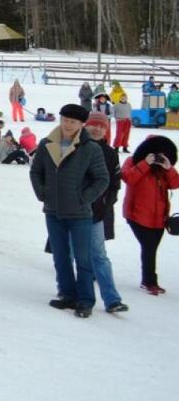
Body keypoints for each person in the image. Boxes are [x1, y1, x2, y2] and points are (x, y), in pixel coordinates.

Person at [29, 104, 109, 318]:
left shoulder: (90, 148)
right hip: (53, 211)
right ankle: (67, 294)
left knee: (83, 259)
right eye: (64, 120)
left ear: (82, 124)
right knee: (61, 257)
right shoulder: (47, 144)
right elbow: (36, 172)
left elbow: (102, 179)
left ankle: (85, 300)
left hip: (80, 214)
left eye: (72, 122)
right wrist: (42, 193)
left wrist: (83, 198)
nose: (67, 124)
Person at [121, 134, 179, 296]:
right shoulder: (133, 161)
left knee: (151, 248)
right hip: (136, 214)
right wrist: (145, 164)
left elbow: (175, 184)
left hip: (159, 217)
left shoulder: (162, 169)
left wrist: (169, 168)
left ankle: (149, 281)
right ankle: (149, 281)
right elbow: (128, 178)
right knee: (149, 247)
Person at [83, 112, 129, 312]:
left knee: (99, 256)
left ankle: (112, 299)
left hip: (96, 214)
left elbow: (114, 184)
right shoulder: (75, 147)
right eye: (94, 125)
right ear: (86, 126)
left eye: (102, 127)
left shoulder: (110, 153)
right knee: (71, 254)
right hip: (72, 212)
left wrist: (105, 204)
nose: (98, 129)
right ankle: (71, 292)